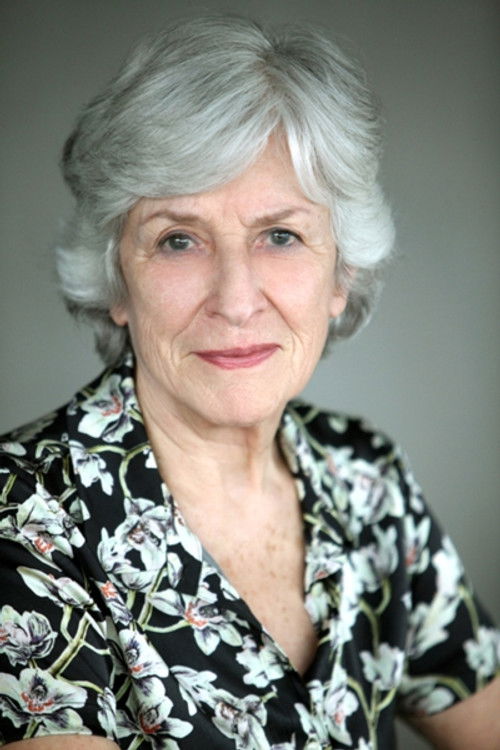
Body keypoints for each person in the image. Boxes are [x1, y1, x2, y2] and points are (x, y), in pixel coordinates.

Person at [0, 16, 498, 750]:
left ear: (341, 274)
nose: (235, 300)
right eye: (178, 239)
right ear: (116, 281)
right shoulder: (25, 516)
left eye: (280, 236)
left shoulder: (366, 480)